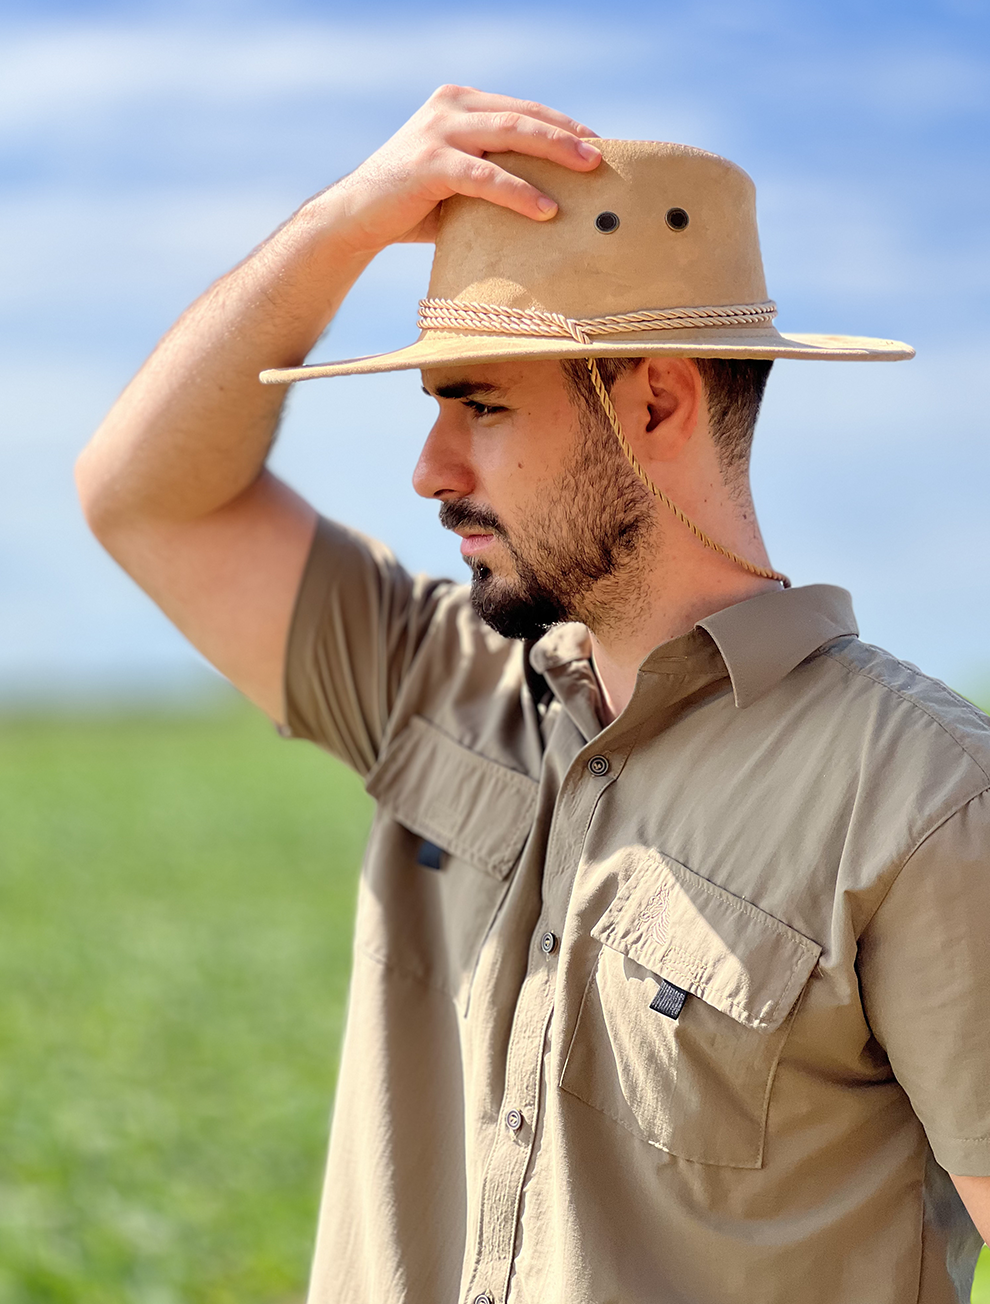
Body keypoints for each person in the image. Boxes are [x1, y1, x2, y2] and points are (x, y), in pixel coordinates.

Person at [76, 86, 990, 1304]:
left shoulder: (925, 796)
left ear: (655, 401)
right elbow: (144, 497)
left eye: (483, 404)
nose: (427, 469)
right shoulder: (434, 675)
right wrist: (340, 224)